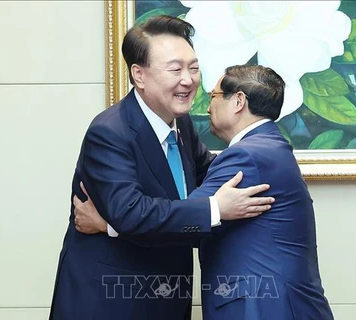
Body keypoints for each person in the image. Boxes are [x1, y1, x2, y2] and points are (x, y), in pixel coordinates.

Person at [49, 16, 275, 320]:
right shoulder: (110, 132)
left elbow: (210, 178)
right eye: (175, 69)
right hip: (110, 303)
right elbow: (131, 213)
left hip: (165, 297)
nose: (188, 79)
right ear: (139, 75)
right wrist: (214, 209)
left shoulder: (181, 123)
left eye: (193, 68)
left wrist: (108, 226)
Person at [75, 64, 334, 319]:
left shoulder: (245, 157)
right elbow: (202, 221)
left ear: (238, 102)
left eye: (214, 97)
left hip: (264, 308)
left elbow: (187, 223)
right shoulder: (268, 149)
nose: (208, 107)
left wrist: (108, 224)